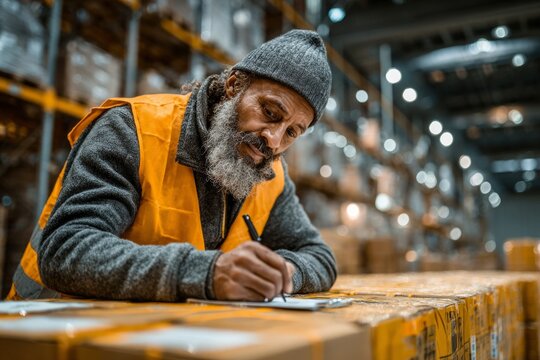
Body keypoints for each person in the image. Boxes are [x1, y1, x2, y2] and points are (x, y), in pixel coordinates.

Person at [7, 29, 337, 302]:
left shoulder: (270, 175)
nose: (274, 140)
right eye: (270, 112)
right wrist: (205, 274)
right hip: (51, 335)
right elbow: (66, 250)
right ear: (234, 86)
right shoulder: (132, 129)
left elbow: (319, 257)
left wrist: (280, 274)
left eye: (292, 132)